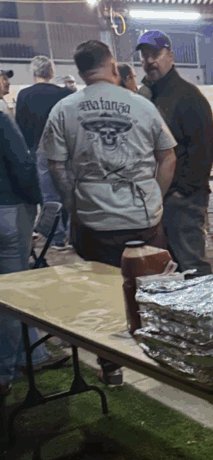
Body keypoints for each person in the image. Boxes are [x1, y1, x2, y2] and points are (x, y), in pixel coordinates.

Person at [41, 39, 177, 385]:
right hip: (142, 218)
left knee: (103, 294)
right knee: (151, 289)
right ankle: (161, 359)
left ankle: (111, 365)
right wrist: (154, 197)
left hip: (94, 219)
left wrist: (74, 204)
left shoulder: (64, 109)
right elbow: (168, 155)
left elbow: (56, 166)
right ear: (112, 65)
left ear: (81, 69)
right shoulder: (141, 105)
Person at [137, 29, 213, 276]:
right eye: (144, 55)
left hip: (182, 201)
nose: (149, 60)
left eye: (155, 54)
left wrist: (183, 191)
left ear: (170, 55)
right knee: (164, 269)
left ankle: (205, 313)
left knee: (191, 266)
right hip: (156, 197)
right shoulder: (146, 96)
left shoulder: (188, 96)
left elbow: (203, 149)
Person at [0, 110, 63, 394]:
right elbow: (22, 165)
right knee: (14, 292)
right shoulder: (1, 120)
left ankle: (34, 354)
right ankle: (9, 369)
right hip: (9, 211)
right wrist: (36, 201)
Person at [14, 56, 73, 249]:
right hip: (65, 149)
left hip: (39, 152)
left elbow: (20, 128)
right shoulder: (64, 93)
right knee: (72, 192)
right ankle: (74, 237)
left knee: (49, 197)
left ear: (34, 73)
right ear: (51, 72)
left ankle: (57, 238)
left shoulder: (24, 95)